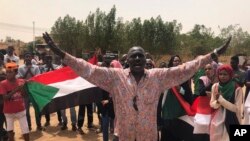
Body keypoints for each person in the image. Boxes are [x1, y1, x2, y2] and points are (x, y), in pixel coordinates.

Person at [43, 32, 231, 141]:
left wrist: (212, 55)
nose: (138, 59)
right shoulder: (114, 77)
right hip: (123, 136)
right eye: (134, 56)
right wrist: (62, 54)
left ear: (145, 58)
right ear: (127, 60)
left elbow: (185, 68)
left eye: (141, 55)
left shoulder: (158, 77)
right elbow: (88, 69)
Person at [160, 55, 194, 141]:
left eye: (178, 61)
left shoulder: (184, 77)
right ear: (171, 63)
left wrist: (180, 89)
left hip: (179, 112)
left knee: (178, 136)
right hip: (167, 110)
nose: (177, 62)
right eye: (175, 61)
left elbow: (188, 94)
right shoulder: (166, 76)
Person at [210, 65, 244, 141]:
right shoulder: (215, 86)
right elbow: (212, 104)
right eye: (220, 74)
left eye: (225, 74)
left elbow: (237, 109)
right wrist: (218, 102)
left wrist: (221, 100)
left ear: (230, 75)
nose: (222, 76)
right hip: (217, 118)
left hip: (232, 118)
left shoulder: (237, 88)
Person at [0, 62, 29, 141]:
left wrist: (22, 89)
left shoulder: (21, 81)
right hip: (8, 112)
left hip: (21, 110)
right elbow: (5, 98)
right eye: (7, 72)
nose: (8, 74)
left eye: (10, 72)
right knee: (10, 130)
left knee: (25, 130)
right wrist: (16, 89)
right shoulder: (3, 84)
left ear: (16, 72)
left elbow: (25, 95)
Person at [17, 52, 43, 131]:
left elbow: (37, 78)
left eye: (29, 56)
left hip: (34, 90)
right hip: (25, 91)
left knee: (37, 109)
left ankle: (39, 125)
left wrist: (29, 70)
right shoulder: (21, 68)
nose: (28, 58)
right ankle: (29, 125)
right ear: (24, 58)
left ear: (31, 57)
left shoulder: (36, 67)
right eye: (26, 56)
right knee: (26, 111)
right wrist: (27, 71)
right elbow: (20, 79)